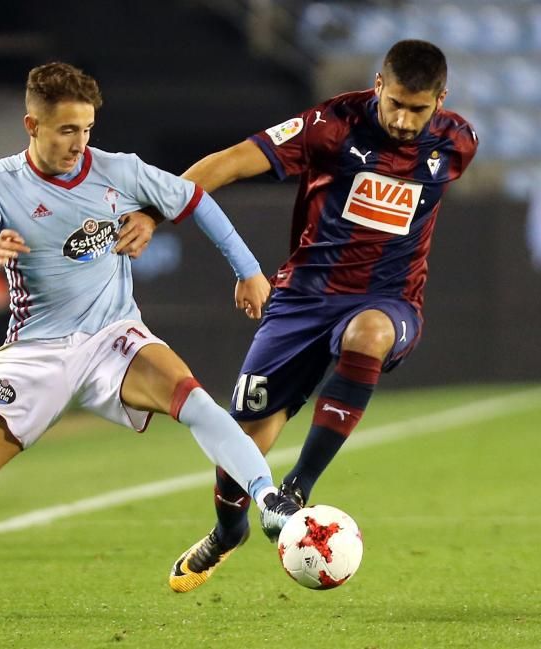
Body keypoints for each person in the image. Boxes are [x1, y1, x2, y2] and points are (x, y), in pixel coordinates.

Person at [0, 62, 300, 621]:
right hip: (37, 350)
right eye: (66, 130)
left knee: (192, 395)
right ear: (31, 124)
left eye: (86, 129)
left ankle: (267, 498)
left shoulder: (118, 170)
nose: (79, 143)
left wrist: (248, 270)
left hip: (113, 334)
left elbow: (196, 200)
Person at [166, 39, 478, 592]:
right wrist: (156, 206)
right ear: (378, 86)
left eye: (419, 109)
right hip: (303, 300)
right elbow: (233, 161)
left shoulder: (457, 142)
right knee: (242, 446)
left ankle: (298, 487)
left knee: (370, 333)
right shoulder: (332, 124)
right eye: (396, 104)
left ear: (441, 100)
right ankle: (227, 531)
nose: (405, 121)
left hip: (389, 299)